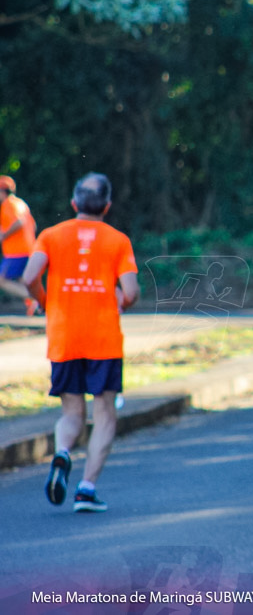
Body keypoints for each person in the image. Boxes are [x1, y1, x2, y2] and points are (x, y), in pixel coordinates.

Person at [22, 173, 140, 513]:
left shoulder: (50, 235)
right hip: (103, 340)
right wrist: (121, 301)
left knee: (72, 412)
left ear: (74, 203)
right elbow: (130, 291)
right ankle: (86, 489)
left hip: (64, 337)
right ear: (107, 206)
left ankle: (61, 453)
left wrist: (45, 300)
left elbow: (29, 277)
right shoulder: (117, 240)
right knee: (104, 414)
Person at [0, 175, 40, 316]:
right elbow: (32, 225)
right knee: (23, 280)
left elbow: (19, 222)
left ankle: (36, 299)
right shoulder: (20, 203)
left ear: (2, 191)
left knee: (2, 279)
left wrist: (4, 235)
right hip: (28, 248)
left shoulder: (8, 205)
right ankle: (36, 303)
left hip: (17, 251)